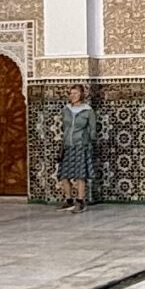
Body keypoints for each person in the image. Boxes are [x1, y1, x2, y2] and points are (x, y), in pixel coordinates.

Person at [55, 83, 98, 214]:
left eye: (76, 93)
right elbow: (65, 127)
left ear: (81, 95)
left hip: (81, 145)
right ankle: (68, 200)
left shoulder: (88, 110)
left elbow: (92, 130)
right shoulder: (66, 109)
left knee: (80, 175)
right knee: (63, 175)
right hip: (68, 145)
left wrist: (88, 143)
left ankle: (80, 201)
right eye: (71, 93)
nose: (72, 96)